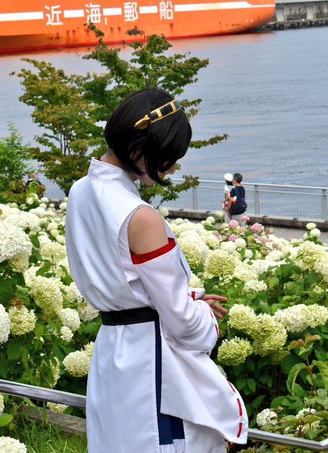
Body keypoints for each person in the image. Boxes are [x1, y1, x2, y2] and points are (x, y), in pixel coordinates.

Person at [65, 88, 248, 452]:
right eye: (168, 158)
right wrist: (203, 316)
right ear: (139, 149)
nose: (172, 168)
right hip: (151, 363)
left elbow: (124, 281)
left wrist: (180, 301)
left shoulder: (80, 191)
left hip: (112, 352)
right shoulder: (140, 216)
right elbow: (182, 323)